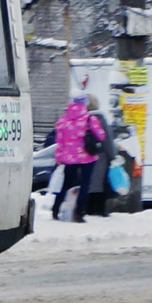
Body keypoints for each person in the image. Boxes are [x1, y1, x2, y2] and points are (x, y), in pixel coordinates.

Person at [52, 90, 105, 222]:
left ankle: (55, 208)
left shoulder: (63, 120)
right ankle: (79, 213)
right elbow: (101, 135)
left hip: (69, 158)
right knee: (85, 185)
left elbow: (59, 141)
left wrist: (59, 158)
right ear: (84, 102)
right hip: (87, 157)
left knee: (66, 184)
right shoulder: (89, 119)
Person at [84, 94, 118, 217]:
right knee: (99, 183)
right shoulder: (100, 118)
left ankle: (87, 208)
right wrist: (112, 156)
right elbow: (107, 140)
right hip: (101, 156)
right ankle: (98, 209)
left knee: (88, 182)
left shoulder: (82, 118)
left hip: (85, 155)